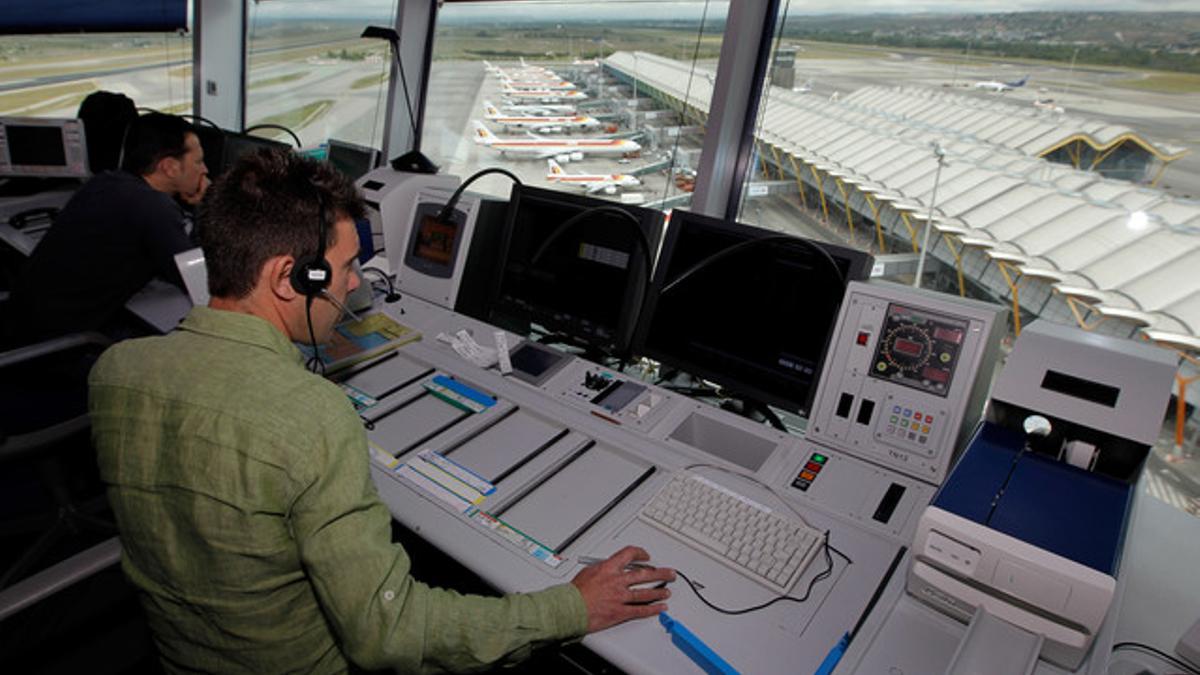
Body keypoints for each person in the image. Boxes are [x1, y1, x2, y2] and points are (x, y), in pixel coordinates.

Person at [88, 148, 675, 674]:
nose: (351, 288)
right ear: (290, 279)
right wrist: (571, 607)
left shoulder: (116, 369)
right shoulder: (311, 414)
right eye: (344, 269)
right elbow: (387, 635)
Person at [5, 112, 209, 346]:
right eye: (198, 161)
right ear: (170, 167)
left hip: (24, 326)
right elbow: (198, 281)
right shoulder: (152, 207)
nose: (205, 170)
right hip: (59, 348)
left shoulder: (105, 182)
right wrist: (205, 208)